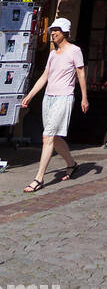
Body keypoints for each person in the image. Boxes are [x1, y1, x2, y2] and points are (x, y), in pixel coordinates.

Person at [19, 17, 88, 193]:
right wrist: (30, 95)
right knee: (55, 137)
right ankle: (71, 164)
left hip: (64, 97)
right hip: (48, 98)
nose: (53, 33)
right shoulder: (52, 54)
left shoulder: (75, 50)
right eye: (52, 30)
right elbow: (45, 76)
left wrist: (84, 98)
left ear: (65, 31)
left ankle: (38, 179)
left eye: (56, 30)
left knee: (47, 137)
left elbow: (81, 74)